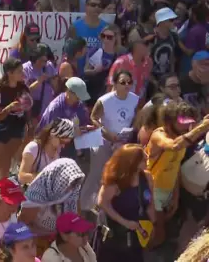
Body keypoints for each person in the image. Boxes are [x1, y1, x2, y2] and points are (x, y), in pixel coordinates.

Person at [146, 102, 209, 247]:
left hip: (167, 192)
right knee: (157, 232)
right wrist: (202, 127)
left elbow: (175, 169)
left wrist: (175, 195)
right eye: (183, 123)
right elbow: (174, 145)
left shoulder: (182, 137)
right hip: (152, 191)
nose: (186, 127)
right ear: (169, 120)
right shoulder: (159, 135)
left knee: (166, 229)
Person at [81, 70, 140, 209]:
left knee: (112, 175)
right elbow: (93, 118)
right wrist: (106, 132)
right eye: (123, 82)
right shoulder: (105, 100)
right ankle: (84, 206)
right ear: (114, 83)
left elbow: (137, 117)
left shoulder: (135, 99)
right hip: (102, 141)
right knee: (96, 174)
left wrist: (130, 131)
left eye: (129, 82)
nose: (127, 85)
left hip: (121, 142)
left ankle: (103, 204)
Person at [96, 144, 154, 261]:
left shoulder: (147, 176)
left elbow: (151, 202)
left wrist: (154, 224)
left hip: (137, 231)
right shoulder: (114, 182)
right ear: (132, 163)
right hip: (115, 235)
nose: (147, 156)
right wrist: (125, 222)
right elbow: (102, 203)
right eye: (142, 158)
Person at [19, 158, 85, 250]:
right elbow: (21, 227)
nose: (71, 188)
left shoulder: (72, 194)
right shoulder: (36, 196)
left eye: (74, 184)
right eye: (69, 182)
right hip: (36, 245)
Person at [0, 57, 32, 191]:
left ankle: (1, 189)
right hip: (1, 127)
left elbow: (28, 106)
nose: (22, 73)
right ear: (9, 73)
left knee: (7, 159)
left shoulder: (23, 87)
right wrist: (9, 108)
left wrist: (29, 123)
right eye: (19, 71)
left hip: (17, 127)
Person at [18, 119, 74, 185]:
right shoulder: (34, 148)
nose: (63, 146)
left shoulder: (57, 150)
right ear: (52, 135)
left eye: (67, 144)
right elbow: (21, 176)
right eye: (62, 142)